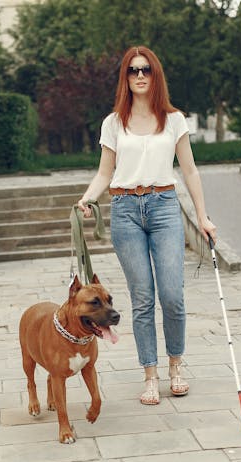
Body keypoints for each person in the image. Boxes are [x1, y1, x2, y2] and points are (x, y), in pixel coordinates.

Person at [77, 46, 217, 405]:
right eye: (133, 70)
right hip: (124, 209)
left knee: (172, 296)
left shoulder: (174, 120)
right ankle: (151, 375)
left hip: (164, 207)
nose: (140, 76)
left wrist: (202, 216)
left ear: (156, 76)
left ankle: (175, 368)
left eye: (147, 70)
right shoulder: (113, 123)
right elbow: (105, 172)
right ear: (125, 77)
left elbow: (189, 170)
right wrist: (88, 199)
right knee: (142, 300)